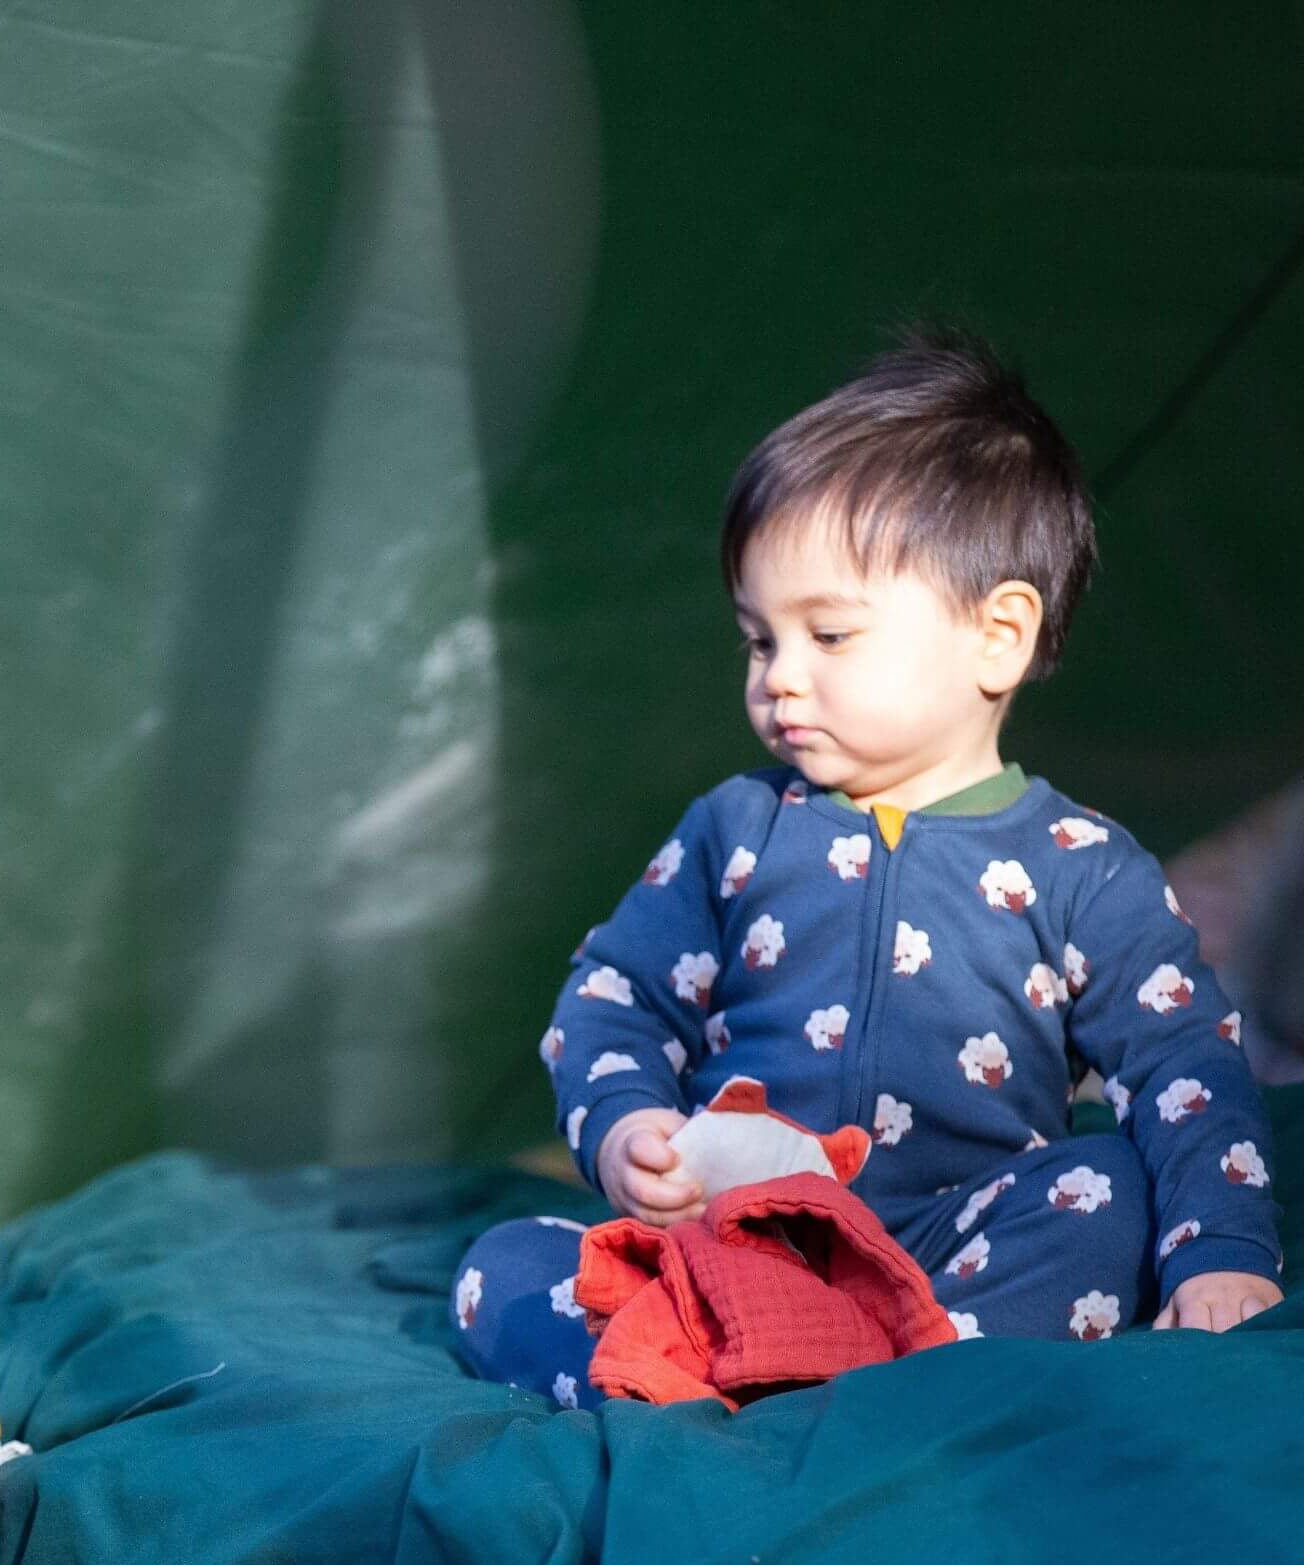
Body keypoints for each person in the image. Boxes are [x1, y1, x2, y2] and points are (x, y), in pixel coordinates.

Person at [451, 330, 1284, 1408]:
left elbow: (1185, 1066)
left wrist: (1220, 1250)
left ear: (996, 637)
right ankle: (723, 1366)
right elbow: (612, 998)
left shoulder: (1084, 869)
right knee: (500, 1267)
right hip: (731, 1251)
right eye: (758, 640)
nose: (778, 679)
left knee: (1103, 1189)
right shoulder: (734, 829)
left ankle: (902, 1376)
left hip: (951, 1255)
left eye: (827, 635)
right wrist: (622, 1129)